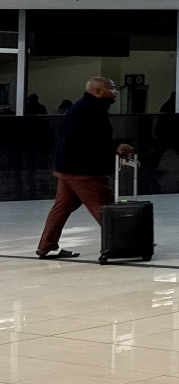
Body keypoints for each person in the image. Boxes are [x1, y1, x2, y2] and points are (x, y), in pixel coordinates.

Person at [36, 77, 134, 258]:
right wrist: (114, 148)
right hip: (85, 171)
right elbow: (82, 141)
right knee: (105, 208)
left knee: (62, 207)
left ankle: (46, 244)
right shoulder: (85, 110)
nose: (115, 91)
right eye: (110, 88)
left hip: (69, 168)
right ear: (97, 91)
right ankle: (129, 244)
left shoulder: (88, 108)